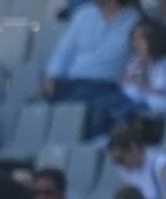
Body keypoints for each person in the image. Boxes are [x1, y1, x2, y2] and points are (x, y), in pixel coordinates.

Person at [42, 0, 143, 139]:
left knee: (103, 110)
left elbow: (140, 57)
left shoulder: (134, 21)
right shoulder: (83, 15)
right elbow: (64, 50)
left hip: (105, 86)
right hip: (72, 82)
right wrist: (51, 76)